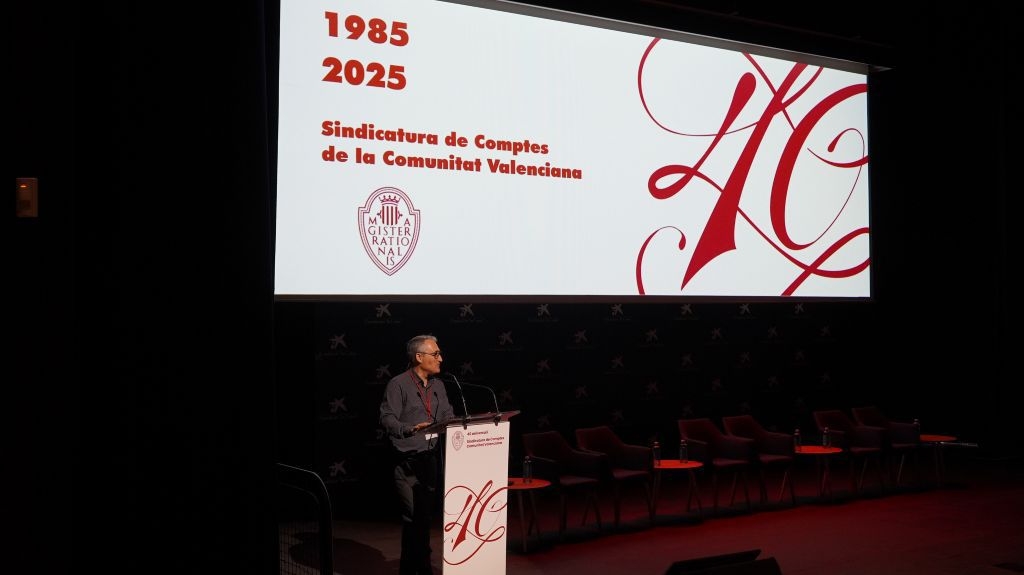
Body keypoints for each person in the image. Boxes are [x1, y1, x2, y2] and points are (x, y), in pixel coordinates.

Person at [380, 334, 456, 575]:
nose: (441, 359)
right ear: (419, 357)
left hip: (430, 459)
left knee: (424, 518)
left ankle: (419, 566)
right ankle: (414, 568)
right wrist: (409, 428)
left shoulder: (439, 386)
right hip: (407, 463)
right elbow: (387, 418)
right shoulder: (398, 384)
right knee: (413, 516)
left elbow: (447, 415)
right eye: (436, 354)